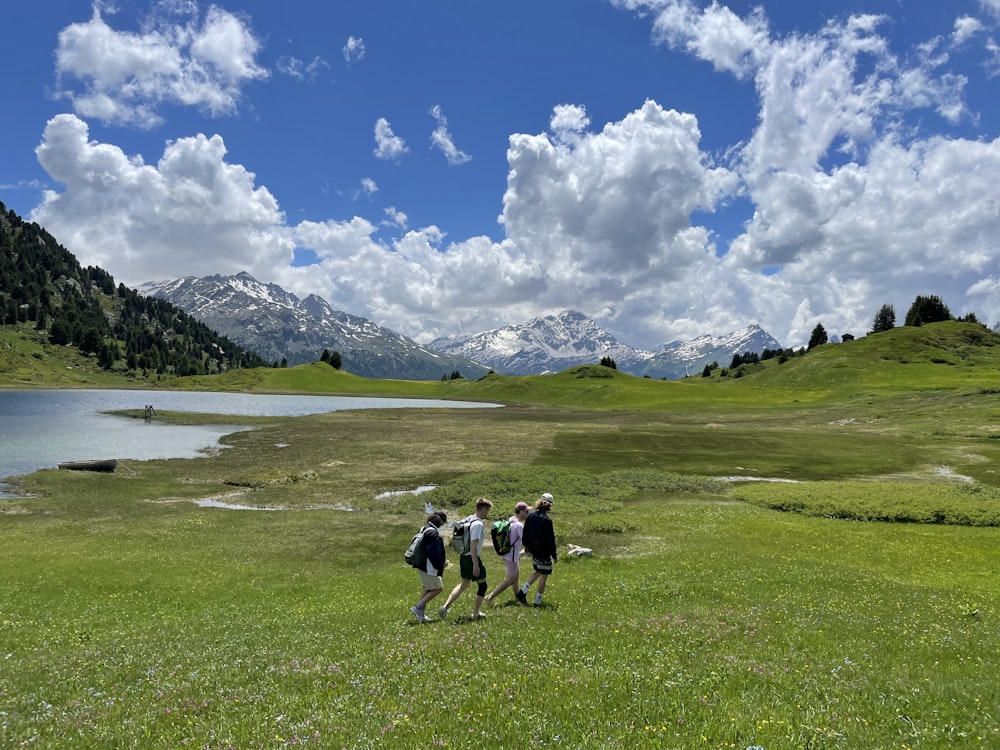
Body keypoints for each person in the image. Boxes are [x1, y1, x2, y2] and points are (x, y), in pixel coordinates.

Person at [439, 498, 492, 620]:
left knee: (464, 584)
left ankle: (445, 607)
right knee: (483, 586)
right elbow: (473, 545)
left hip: (463, 556)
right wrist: (475, 564)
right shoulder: (478, 524)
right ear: (483, 509)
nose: (487, 513)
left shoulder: (469, 518)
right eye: (487, 510)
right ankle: (476, 613)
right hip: (472, 558)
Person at [484, 501, 531, 607]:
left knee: (515, 577)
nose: (528, 513)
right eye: (526, 511)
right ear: (521, 511)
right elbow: (526, 540)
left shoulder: (511, 520)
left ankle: (517, 598)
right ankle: (490, 597)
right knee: (510, 579)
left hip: (508, 554)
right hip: (512, 557)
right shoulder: (519, 525)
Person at [517, 492, 557, 607]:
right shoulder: (547, 520)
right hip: (543, 552)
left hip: (534, 550)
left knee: (538, 571)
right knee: (544, 575)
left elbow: (526, 533)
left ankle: (523, 591)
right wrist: (554, 555)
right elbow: (550, 540)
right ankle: (538, 602)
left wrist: (527, 546)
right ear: (549, 506)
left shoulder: (530, 515)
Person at [410, 511, 447, 622]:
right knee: (438, 588)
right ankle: (418, 608)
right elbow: (433, 552)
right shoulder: (433, 533)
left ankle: (420, 615)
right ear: (440, 521)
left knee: (428, 588)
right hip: (428, 566)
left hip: (421, 564)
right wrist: (440, 565)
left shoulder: (424, 529)